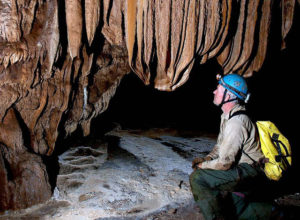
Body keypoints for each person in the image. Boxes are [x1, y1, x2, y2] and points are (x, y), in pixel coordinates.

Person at [189, 74, 272, 220]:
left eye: (218, 89)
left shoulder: (236, 122)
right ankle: (275, 212)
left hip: (251, 172)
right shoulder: (227, 116)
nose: (214, 91)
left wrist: (203, 165)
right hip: (247, 170)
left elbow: (225, 163)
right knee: (234, 211)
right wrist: (207, 158)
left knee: (198, 178)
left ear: (229, 95)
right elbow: (220, 146)